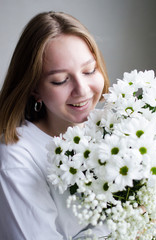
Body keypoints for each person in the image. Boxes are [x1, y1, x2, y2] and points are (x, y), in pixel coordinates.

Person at [0, 11, 110, 240]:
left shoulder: (116, 128)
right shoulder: (16, 157)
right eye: (60, 80)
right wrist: (127, 222)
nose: (82, 90)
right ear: (34, 88)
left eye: (89, 70)